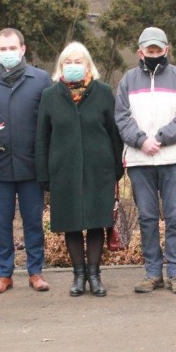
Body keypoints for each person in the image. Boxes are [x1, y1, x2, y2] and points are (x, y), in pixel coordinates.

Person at [36, 42, 123, 298]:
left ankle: (95, 276)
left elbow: (114, 133)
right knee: (71, 224)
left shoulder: (104, 92)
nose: (73, 67)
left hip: (99, 170)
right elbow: (42, 137)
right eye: (68, 63)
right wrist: (44, 174)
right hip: (64, 171)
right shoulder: (50, 96)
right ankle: (78, 276)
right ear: (60, 67)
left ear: (88, 65)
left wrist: (117, 168)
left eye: (78, 62)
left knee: (96, 223)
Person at [114, 27, 176, 295]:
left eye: (157, 49)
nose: (153, 53)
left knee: (174, 217)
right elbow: (122, 117)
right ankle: (152, 273)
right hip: (140, 160)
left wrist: (161, 138)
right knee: (147, 218)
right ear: (140, 51)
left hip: (173, 158)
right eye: (148, 50)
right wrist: (141, 140)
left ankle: (174, 273)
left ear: (166, 50)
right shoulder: (127, 80)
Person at [0, 28, 53, 294]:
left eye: (12, 48)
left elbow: (49, 123)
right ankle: (4, 274)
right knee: (1, 222)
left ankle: (35, 272)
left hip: (32, 165)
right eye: (2, 49)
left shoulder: (41, 79)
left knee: (33, 221)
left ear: (23, 49)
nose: (8, 53)